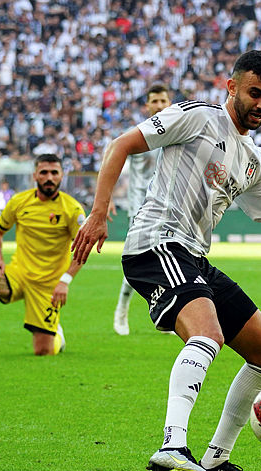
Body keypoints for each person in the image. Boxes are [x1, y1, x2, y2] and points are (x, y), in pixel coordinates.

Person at [71, 50, 261, 471]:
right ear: (232, 88)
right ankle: (172, 445)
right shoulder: (196, 116)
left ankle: (217, 459)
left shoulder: (255, 161)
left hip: (194, 255)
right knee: (208, 334)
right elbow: (121, 144)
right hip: (155, 243)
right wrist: (99, 212)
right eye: (255, 93)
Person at [0, 154, 86, 359]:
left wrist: (65, 281)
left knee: (44, 351)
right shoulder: (19, 201)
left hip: (47, 285)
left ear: (61, 176)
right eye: (44, 172)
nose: (49, 177)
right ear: (35, 176)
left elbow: (83, 249)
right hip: (18, 275)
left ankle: (57, 335)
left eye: (54, 173)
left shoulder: (72, 209)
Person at [113, 84, 172, 335]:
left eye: (163, 101)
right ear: (147, 106)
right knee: (139, 258)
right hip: (139, 206)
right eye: (154, 101)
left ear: (169, 104)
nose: (159, 105)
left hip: (170, 206)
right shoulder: (136, 134)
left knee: (173, 257)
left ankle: (171, 312)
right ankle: (122, 310)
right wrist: (104, 200)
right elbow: (113, 159)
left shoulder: (176, 132)